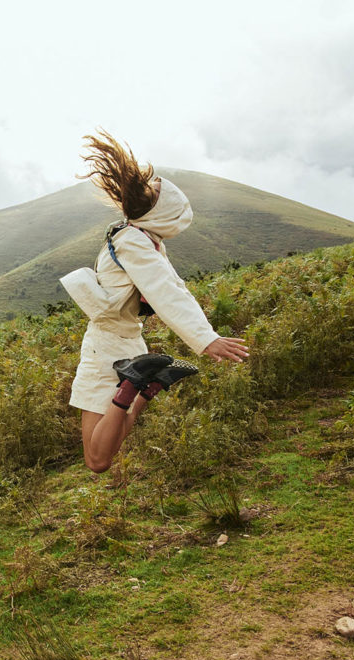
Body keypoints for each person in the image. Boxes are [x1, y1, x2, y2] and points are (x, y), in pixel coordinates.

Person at [67, 131, 249, 473]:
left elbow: (167, 291)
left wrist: (205, 339)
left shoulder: (133, 240)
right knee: (110, 447)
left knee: (97, 460)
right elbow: (173, 289)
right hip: (130, 340)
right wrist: (204, 337)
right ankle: (145, 387)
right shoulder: (142, 243)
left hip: (106, 343)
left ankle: (135, 383)